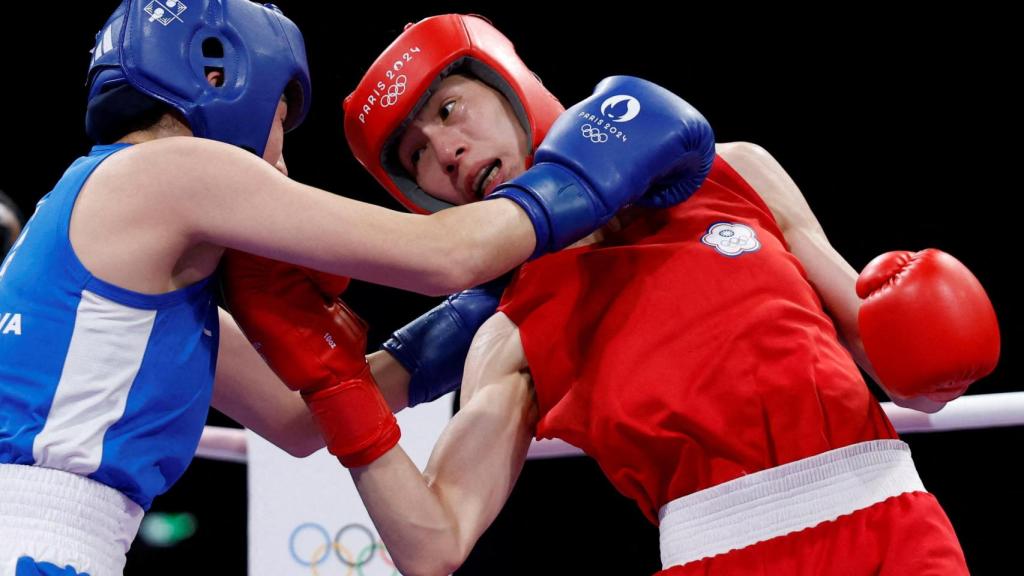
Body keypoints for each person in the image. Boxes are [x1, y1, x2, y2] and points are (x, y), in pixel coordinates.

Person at [227, 13, 1000, 576]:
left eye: (449, 108)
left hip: (897, 526)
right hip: (719, 555)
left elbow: (904, 377)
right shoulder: (509, 332)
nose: (446, 150)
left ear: (509, 82)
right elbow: (432, 543)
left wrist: (933, 345)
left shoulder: (736, 171)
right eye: (416, 154)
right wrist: (335, 383)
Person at [0, 2, 706, 574]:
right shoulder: (170, 172)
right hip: (38, 538)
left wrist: (463, 324)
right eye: (283, 122)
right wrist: (588, 168)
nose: (279, 156)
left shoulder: (117, 234)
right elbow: (447, 254)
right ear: (221, 78)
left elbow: (295, 418)